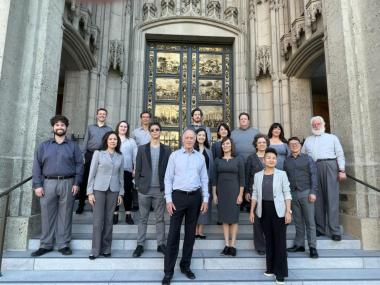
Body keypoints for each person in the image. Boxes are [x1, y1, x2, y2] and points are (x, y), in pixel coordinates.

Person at [31, 115, 83, 257]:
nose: (60, 127)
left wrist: (77, 183)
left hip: (68, 182)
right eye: (57, 125)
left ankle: (63, 244)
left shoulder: (73, 146)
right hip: (48, 183)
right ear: (53, 127)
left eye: (62, 125)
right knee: (47, 215)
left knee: (65, 215)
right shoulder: (44, 146)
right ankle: (46, 244)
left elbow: (79, 165)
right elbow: (37, 166)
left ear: (66, 127)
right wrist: (37, 185)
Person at [162, 129, 209, 285]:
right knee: (173, 235)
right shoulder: (174, 156)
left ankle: (185, 266)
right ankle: (168, 272)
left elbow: (204, 179)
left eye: (192, 138)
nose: (189, 140)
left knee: (190, 235)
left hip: (195, 198)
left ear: (195, 140)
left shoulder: (200, 157)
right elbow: (168, 178)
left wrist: (206, 199)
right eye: (187, 137)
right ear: (182, 139)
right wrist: (168, 199)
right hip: (178, 197)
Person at [249, 148, 292, 285]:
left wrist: (288, 211)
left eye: (274, 158)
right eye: (268, 158)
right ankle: (270, 268)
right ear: (263, 160)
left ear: (276, 160)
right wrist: (252, 211)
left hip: (279, 211)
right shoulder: (258, 175)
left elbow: (287, 194)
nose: (271, 160)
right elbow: (255, 194)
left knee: (280, 241)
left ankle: (280, 274)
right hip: (264, 210)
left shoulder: (282, 174)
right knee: (269, 240)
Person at [302, 116, 346, 241]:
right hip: (314, 168)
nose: (316, 126)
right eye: (314, 124)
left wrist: (341, 170)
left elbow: (340, 154)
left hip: (330, 166)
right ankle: (320, 229)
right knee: (317, 200)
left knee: (332, 199)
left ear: (323, 124)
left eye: (318, 123)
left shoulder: (332, 138)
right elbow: (304, 156)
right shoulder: (308, 140)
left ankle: (335, 231)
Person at [133, 122, 171, 258]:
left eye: (157, 130)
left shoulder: (167, 150)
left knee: (160, 218)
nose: (155, 132)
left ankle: (161, 244)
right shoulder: (142, 149)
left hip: (160, 190)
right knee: (143, 218)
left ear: (160, 132)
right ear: (150, 132)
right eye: (153, 130)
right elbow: (137, 169)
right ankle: (140, 245)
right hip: (144, 189)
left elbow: (169, 170)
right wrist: (137, 184)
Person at [87, 131, 124, 260]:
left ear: (117, 142)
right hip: (99, 189)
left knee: (109, 221)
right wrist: (90, 192)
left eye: (115, 139)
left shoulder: (120, 156)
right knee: (98, 221)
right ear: (106, 141)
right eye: (110, 139)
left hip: (113, 190)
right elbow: (91, 173)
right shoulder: (98, 153)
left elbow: (121, 177)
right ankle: (95, 250)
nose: (113, 141)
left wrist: (121, 193)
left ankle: (106, 248)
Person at [284, 136, 319, 258]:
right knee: (298, 221)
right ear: (288, 146)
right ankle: (299, 245)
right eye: (291, 144)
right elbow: (285, 178)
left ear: (300, 145)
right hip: (293, 193)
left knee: (310, 221)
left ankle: (312, 247)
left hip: (306, 192)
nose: (294, 145)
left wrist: (313, 192)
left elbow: (314, 176)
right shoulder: (286, 161)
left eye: (296, 143)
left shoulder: (308, 159)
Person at [213, 137, 245, 256]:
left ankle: (233, 245)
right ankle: (226, 244)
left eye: (227, 143)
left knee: (234, 219)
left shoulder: (238, 159)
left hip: (234, 192)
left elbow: (242, 178)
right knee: (224, 220)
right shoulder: (217, 160)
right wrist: (215, 194)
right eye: (223, 144)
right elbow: (214, 179)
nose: (225, 145)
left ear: (231, 145)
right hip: (222, 193)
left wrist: (241, 195)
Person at [77, 108, 113, 214]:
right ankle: (81, 204)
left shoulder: (109, 129)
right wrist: (83, 155)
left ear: (106, 116)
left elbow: (109, 143)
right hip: (90, 154)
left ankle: (95, 205)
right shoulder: (90, 127)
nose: (102, 116)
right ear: (97, 116)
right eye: (100, 114)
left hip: (102, 155)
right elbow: (85, 141)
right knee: (86, 179)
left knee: (98, 179)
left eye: (104, 114)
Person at [245, 134, 270, 256]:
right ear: (256, 144)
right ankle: (260, 246)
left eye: (263, 142)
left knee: (269, 220)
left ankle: (270, 244)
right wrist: (247, 191)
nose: (261, 144)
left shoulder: (271, 157)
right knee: (258, 221)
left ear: (267, 144)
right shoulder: (251, 158)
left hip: (270, 192)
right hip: (255, 193)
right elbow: (247, 176)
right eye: (259, 142)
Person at [231, 112, 259, 212]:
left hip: (252, 161)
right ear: (239, 121)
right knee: (240, 181)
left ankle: (250, 203)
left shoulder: (256, 132)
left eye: (245, 119)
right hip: (239, 161)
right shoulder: (233, 133)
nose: (243, 120)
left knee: (251, 181)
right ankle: (241, 202)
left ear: (248, 120)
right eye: (241, 119)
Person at [113, 121, 137, 225]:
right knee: (114, 192)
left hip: (127, 171)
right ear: (118, 127)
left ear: (127, 129)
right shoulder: (113, 139)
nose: (123, 128)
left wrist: (135, 169)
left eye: (125, 127)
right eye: (121, 126)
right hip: (113, 171)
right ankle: (115, 214)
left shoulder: (131, 141)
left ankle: (128, 215)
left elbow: (136, 156)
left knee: (127, 193)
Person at [194, 128, 214, 239]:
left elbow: (211, 168)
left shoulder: (209, 152)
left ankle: (200, 231)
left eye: (203, 135)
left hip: (206, 183)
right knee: (194, 206)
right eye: (199, 135)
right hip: (193, 183)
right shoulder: (192, 149)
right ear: (196, 136)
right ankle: (194, 230)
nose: (201, 137)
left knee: (204, 206)